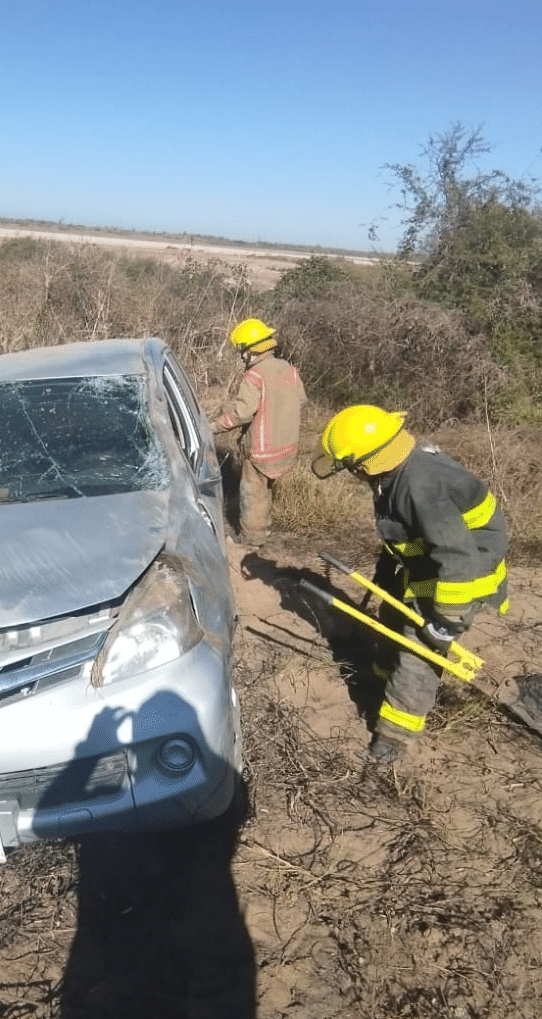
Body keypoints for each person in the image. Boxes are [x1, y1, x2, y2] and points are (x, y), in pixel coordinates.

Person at [313, 404, 510, 764]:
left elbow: (457, 555)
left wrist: (447, 619)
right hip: (429, 568)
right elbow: (407, 535)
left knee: (419, 649)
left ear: (364, 463)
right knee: (391, 618)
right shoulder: (396, 470)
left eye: (352, 468)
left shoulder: (420, 486)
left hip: (462, 579)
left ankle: (394, 739)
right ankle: (380, 683)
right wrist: (387, 578)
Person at [213, 318, 306, 545]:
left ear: (249, 350)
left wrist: (213, 427)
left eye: (241, 350)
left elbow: (241, 414)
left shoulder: (254, 376)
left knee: (254, 494)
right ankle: (264, 527)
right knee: (267, 491)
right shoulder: (289, 370)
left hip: (260, 451)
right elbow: (301, 401)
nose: (241, 356)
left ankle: (252, 540)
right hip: (286, 448)